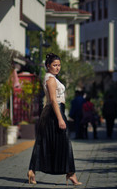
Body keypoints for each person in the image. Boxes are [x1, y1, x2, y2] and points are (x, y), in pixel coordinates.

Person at [27, 53, 82, 186]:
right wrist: (60, 119)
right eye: (54, 65)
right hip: (54, 113)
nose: (57, 67)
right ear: (48, 66)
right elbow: (52, 100)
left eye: (59, 65)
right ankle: (70, 174)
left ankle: (33, 171)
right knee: (61, 142)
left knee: (47, 142)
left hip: (54, 112)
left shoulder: (52, 78)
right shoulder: (50, 79)